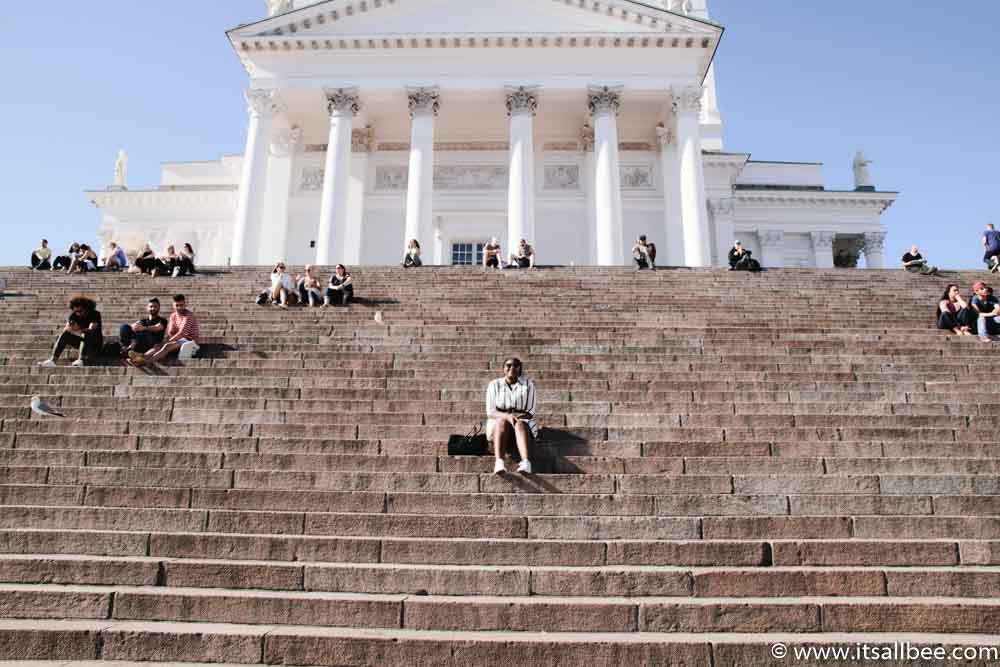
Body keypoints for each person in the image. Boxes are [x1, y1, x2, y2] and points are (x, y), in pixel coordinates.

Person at [486, 357, 539, 475]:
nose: (512, 368)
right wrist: (507, 416)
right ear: (503, 369)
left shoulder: (528, 385)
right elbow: (491, 411)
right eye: (508, 365)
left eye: (515, 365)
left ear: (520, 368)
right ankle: (499, 462)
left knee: (520, 424)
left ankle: (526, 462)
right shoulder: (494, 385)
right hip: (498, 420)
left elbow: (530, 411)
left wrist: (514, 418)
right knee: (501, 421)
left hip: (523, 420)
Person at [129, 294, 201, 365]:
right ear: (173, 305)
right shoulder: (173, 316)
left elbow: (181, 333)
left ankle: (146, 361)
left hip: (191, 340)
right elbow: (170, 332)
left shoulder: (188, 316)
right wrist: (166, 340)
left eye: (181, 305)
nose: (179, 308)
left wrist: (167, 341)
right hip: (180, 339)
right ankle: (142, 357)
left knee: (166, 346)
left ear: (185, 304)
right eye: (177, 305)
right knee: (158, 345)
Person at [38, 295, 103, 368]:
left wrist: (77, 329)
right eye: (75, 311)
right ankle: (52, 361)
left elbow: (91, 328)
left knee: (85, 333)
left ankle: (81, 360)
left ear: (86, 308)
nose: (78, 313)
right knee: (65, 334)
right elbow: (66, 329)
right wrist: (72, 328)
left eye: (80, 311)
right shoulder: (74, 315)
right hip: (82, 342)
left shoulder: (95, 314)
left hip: (94, 344)